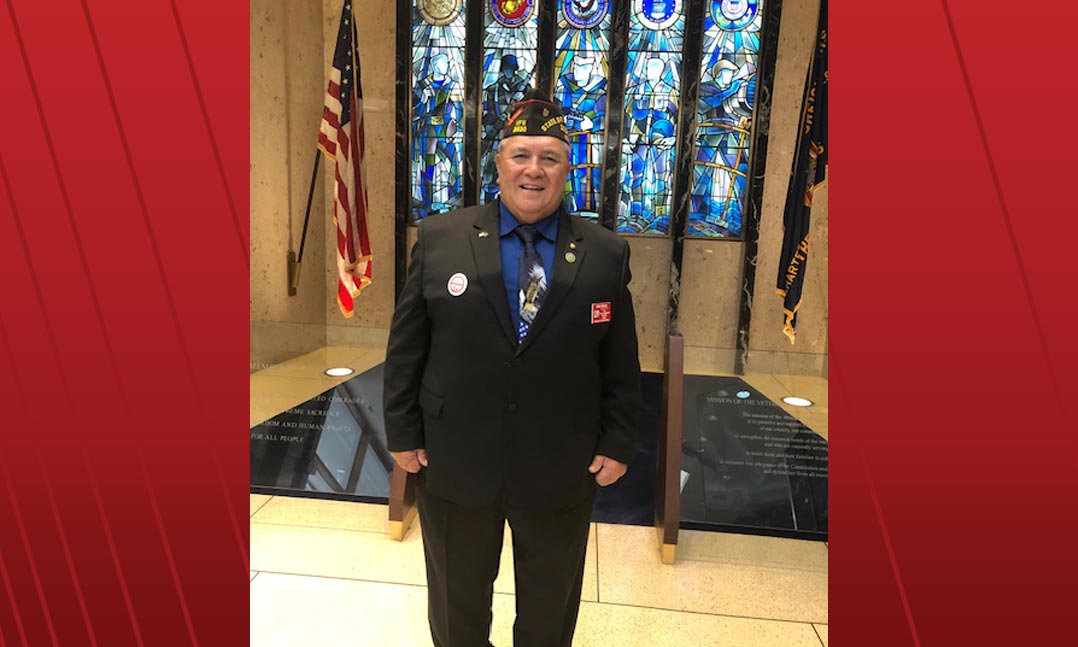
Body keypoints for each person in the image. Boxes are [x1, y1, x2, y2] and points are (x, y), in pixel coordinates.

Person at [383, 90, 641, 647]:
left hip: (559, 465)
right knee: (456, 607)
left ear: (567, 169)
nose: (534, 170)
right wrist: (402, 432)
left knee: (550, 612)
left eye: (549, 157)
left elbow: (620, 360)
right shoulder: (440, 239)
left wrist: (618, 441)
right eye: (521, 155)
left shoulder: (604, 252)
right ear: (498, 162)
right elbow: (407, 347)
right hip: (454, 459)